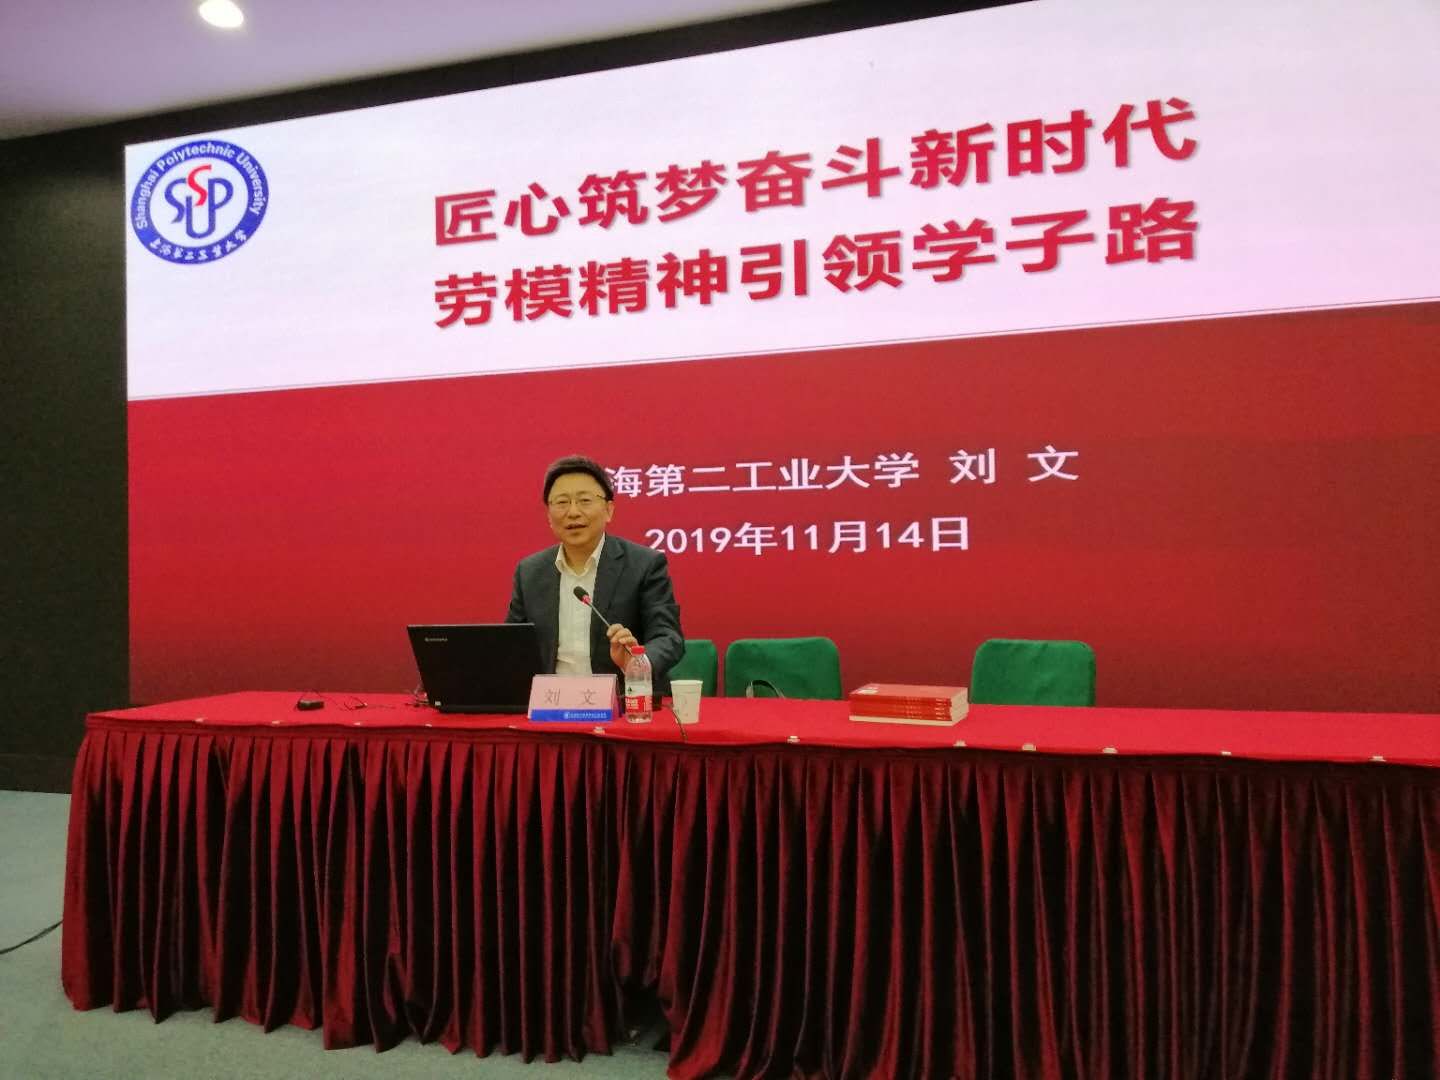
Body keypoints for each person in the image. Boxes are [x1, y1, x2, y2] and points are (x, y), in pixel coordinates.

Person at [506, 455, 684, 694]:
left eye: (585, 501)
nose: (573, 512)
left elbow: (668, 637)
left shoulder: (644, 564)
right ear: (548, 515)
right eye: (562, 502)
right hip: (551, 704)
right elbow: (512, 645)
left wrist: (636, 663)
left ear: (609, 510)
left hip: (624, 701)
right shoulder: (530, 572)